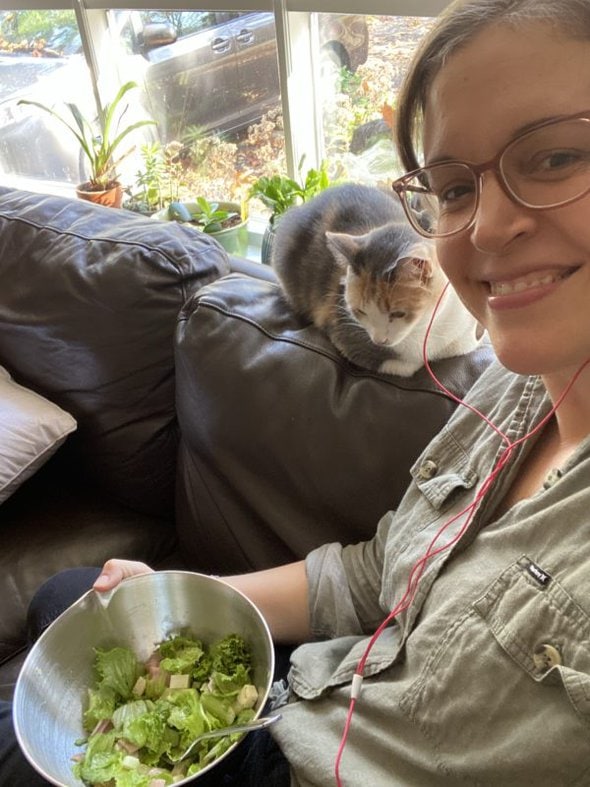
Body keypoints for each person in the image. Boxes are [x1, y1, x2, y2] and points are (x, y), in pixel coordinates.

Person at [4, 0, 590, 783]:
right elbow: (377, 571)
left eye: (553, 157)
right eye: (452, 187)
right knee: (78, 598)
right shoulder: (515, 393)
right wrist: (187, 596)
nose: (482, 230)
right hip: (307, 704)